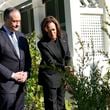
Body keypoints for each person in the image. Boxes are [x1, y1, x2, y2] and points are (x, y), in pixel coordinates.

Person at [37, 16, 72, 110]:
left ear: (57, 27)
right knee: (52, 105)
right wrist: (65, 68)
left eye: (53, 29)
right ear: (45, 31)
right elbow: (50, 62)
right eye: (48, 31)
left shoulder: (64, 35)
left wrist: (69, 69)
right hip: (50, 76)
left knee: (61, 104)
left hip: (61, 74)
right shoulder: (42, 44)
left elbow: (67, 55)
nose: (52, 33)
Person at [0, 7, 31, 110]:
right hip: (6, 88)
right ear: (5, 19)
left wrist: (26, 73)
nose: (18, 24)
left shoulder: (21, 37)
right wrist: (12, 75)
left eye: (19, 21)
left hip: (21, 87)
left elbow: (27, 59)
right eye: (14, 21)